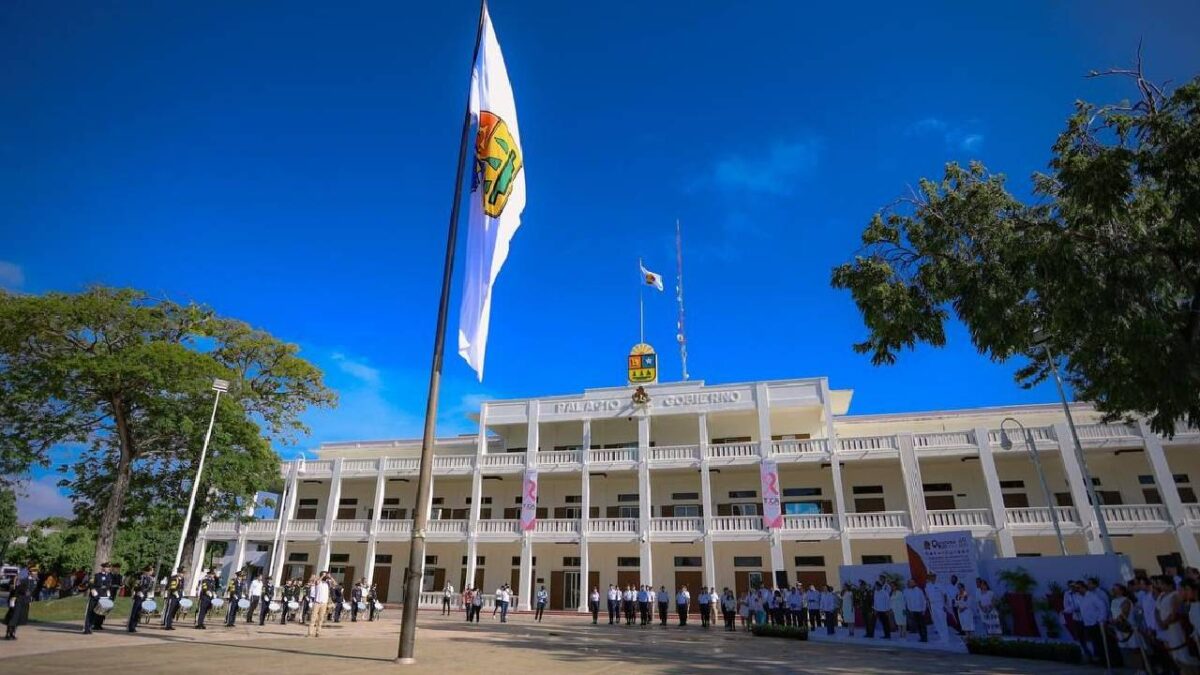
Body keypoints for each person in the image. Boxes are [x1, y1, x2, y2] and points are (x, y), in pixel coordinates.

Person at [1110, 583, 1144, 673]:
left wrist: (1115, 620)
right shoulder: (1113, 601)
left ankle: (1142, 669)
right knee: (1127, 650)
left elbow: (1124, 613)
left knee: (1135, 649)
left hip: (1128, 628)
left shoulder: (1126, 600)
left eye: (1115, 588)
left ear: (1121, 590)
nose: (1113, 590)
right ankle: (1135, 669)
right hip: (1119, 628)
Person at [82, 561, 115, 634]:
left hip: (103, 596)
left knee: (96, 613)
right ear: (103, 568)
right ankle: (86, 628)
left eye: (109, 567)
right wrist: (93, 590)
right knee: (90, 612)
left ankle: (90, 626)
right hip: (95, 596)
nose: (108, 568)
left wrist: (108, 593)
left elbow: (108, 586)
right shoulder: (97, 575)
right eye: (107, 567)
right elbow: (90, 583)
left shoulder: (109, 576)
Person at [4, 564, 34, 640]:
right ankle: (9, 633)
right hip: (17, 599)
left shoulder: (30, 580)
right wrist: (14, 597)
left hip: (24, 600)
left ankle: (13, 633)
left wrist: (29, 600)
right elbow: (16, 590)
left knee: (18, 618)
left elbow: (29, 592)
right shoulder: (22, 578)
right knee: (14, 616)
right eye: (34, 571)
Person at [127, 565, 154, 633]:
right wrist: (138, 591)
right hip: (138, 595)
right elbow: (135, 585)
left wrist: (148, 593)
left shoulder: (150, 578)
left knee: (139, 612)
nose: (152, 572)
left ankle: (135, 625)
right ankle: (131, 626)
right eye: (151, 571)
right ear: (147, 571)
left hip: (144, 595)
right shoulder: (140, 577)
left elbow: (149, 587)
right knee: (134, 611)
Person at [925, 573, 950, 644]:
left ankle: (946, 638)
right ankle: (941, 637)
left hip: (940, 604)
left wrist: (945, 605)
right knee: (936, 621)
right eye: (930, 577)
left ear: (935, 577)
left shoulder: (940, 585)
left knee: (942, 621)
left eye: (933, 576)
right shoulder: (927, 585)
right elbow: (927, 596)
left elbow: (945, 595)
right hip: (932, 605)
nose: (932, 578)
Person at [306, 571, 330, 637]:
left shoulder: (327, 583)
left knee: (321, 618)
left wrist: (330, 577)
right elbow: (317, 582)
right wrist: (322, 576)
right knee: (313, 618)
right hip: (317, 603)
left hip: (324, 603)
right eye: (324, 576)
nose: (326, 577)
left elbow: (335, 584)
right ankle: (310, 632)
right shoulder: (318, 582)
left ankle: (318, 632)